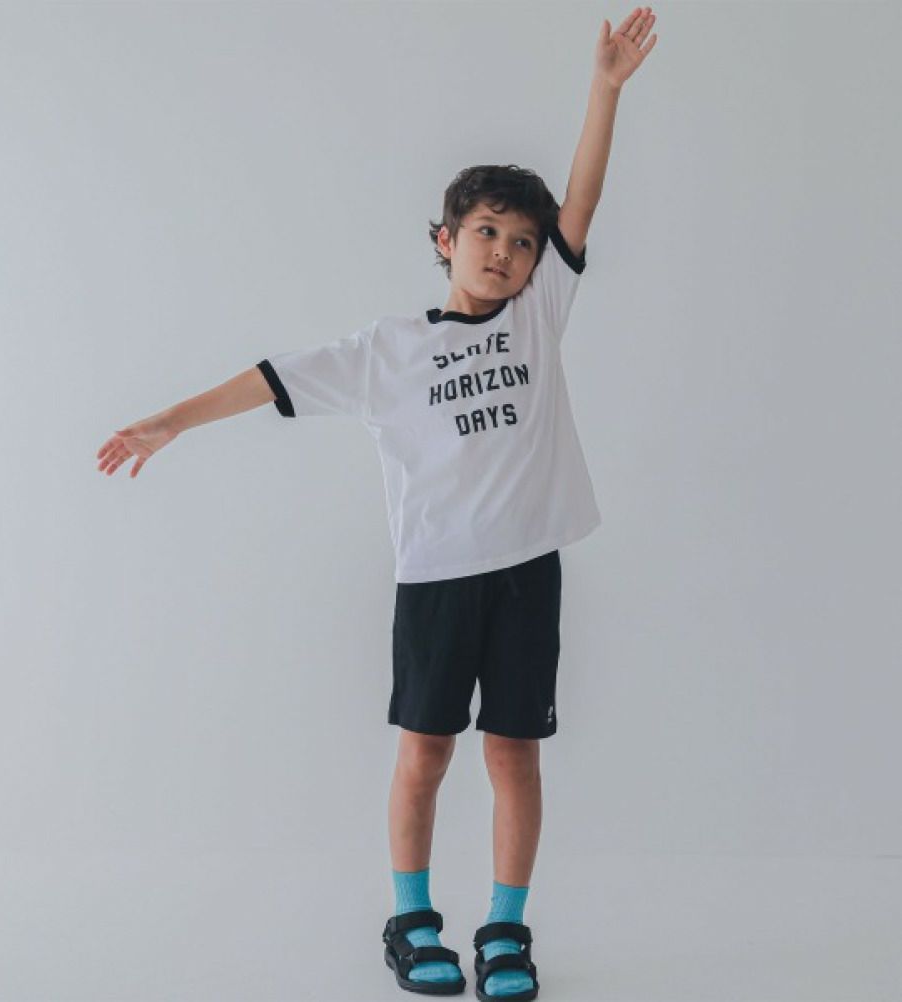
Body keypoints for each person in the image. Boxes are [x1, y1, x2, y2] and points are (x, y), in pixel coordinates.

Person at [95, 9, 657, 999]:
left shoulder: (538, 317)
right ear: (446, 240)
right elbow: (272, 376)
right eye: (486, 232)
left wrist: (604, 89)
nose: (504, 252)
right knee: (425, 752)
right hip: (436, 581)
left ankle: (506, 930)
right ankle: (412, 918)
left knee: (515, 755)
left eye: (522, 242)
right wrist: (170, 421)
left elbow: (583, 202)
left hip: (527, 575)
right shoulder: (388, 351)